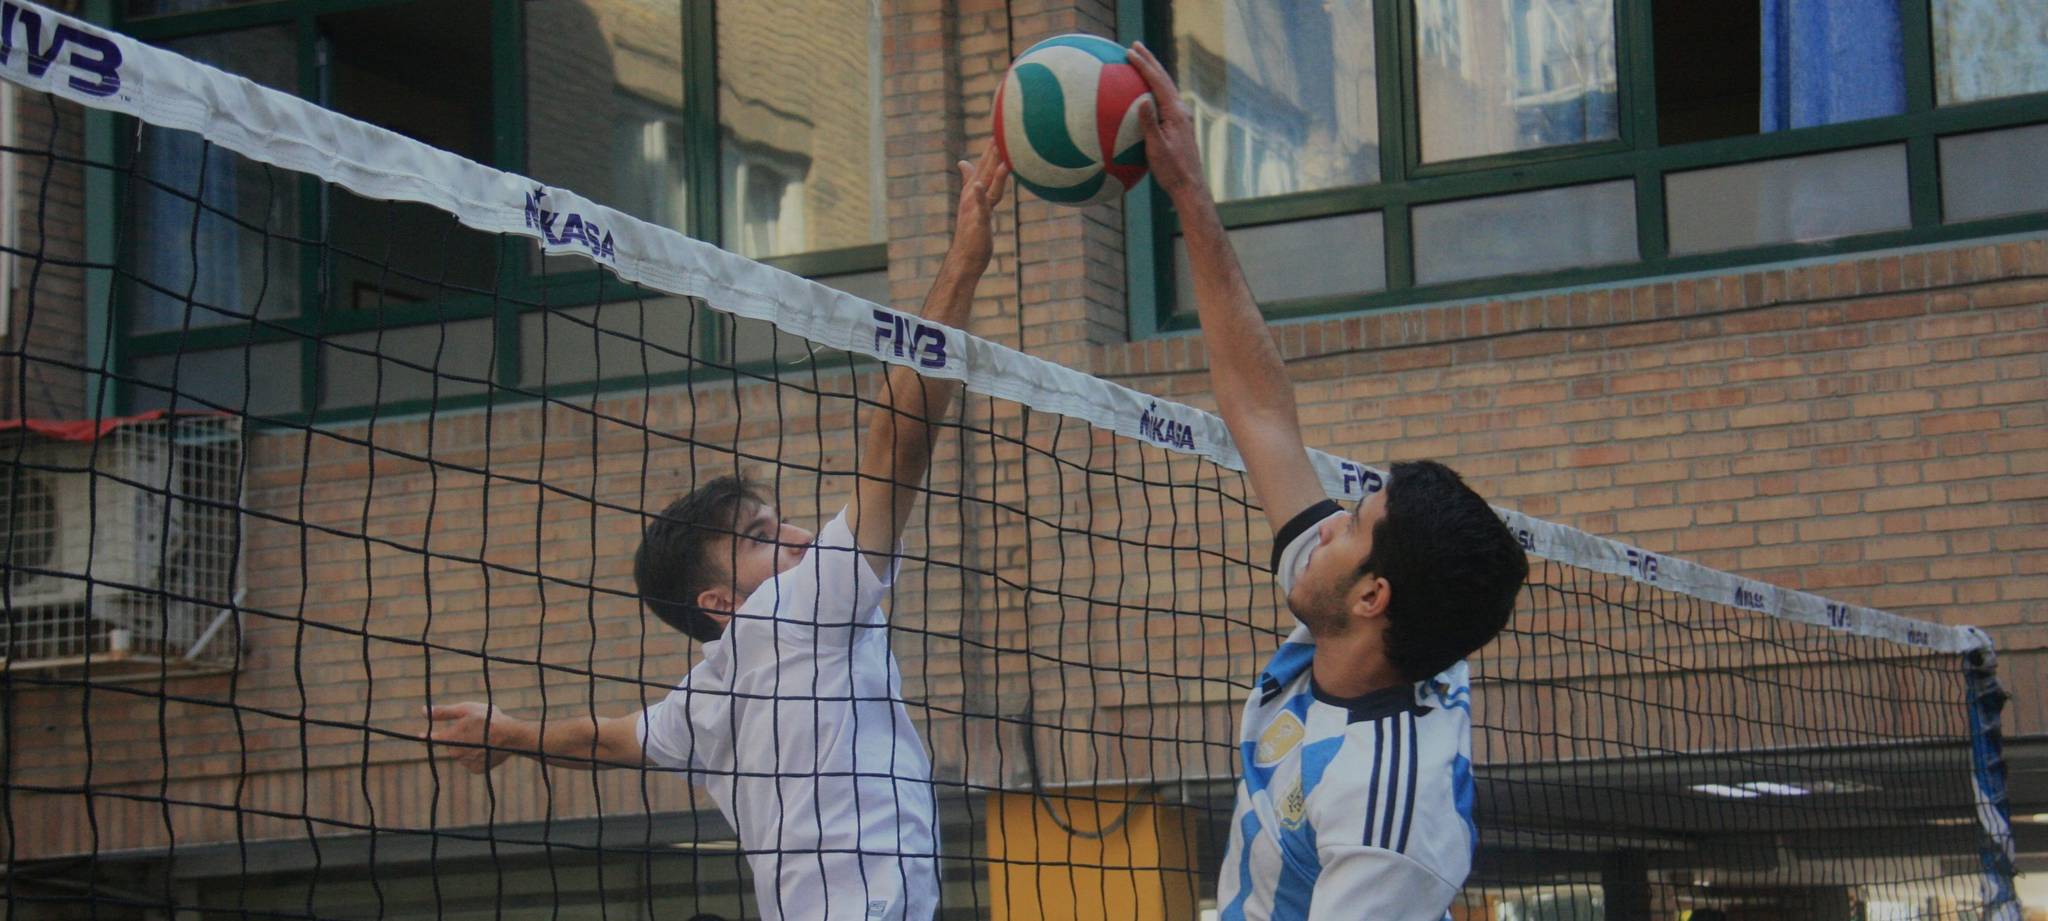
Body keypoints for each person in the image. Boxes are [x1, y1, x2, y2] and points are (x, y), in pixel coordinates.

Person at [420, 146, 1013, 921]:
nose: (798, 537)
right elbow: (897, 442)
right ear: (721, 601)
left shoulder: (708, 696)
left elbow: (610, 739)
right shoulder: (797, 611)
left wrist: (515, 733)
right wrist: (965, 260)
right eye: (762, 537)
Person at [1126, 42, 1530, 921]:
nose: (1326, 527)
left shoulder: (1391, 818)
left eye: (1350, 525)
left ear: (1373, 595)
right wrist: (1188, 190)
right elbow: (1261, 411)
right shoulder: (1370, 619)